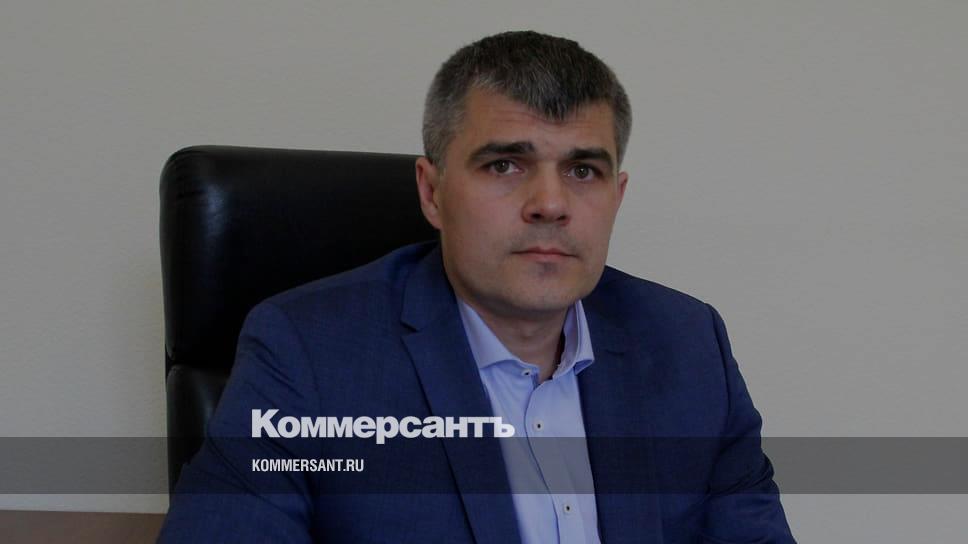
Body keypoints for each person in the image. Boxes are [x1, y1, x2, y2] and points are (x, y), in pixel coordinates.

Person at [158, 31, 795, 543]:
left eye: (582, 170)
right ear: (432, 192)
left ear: (617, 196)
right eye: (505, 164)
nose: (550, 203)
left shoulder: (688, 345)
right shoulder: (308, 353)